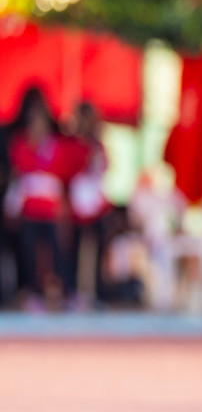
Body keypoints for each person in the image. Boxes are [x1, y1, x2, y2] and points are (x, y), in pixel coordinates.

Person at [4, 90, 81, 311]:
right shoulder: (21, 145)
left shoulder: (55, 147)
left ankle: (65, 291)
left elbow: (63, 175)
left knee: (58, 252)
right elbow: (20, 175)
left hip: (50, 210)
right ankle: (31, 291)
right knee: (29, 252)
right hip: (30, 209)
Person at [65, 102, 114, 309]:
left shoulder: (97, 143)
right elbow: (70, 168)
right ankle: (74, 291)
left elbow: (105, 167)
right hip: (78, 201)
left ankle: (97, 291)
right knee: (75, 248)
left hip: (95, 202)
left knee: (99, 247)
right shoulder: (73, 143)